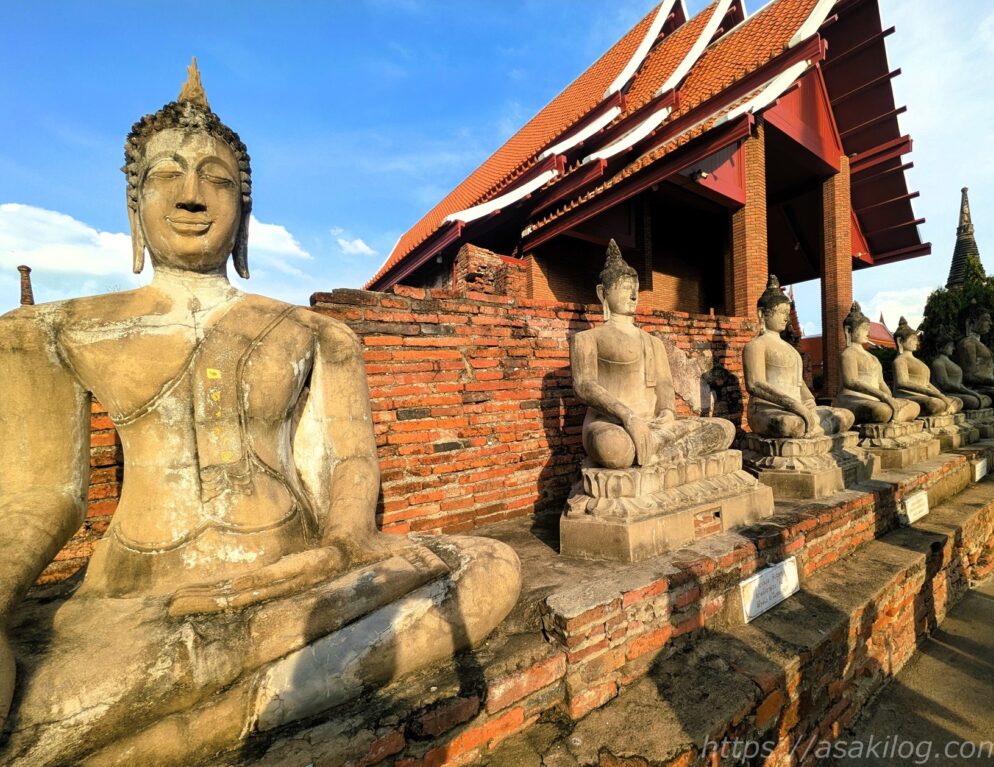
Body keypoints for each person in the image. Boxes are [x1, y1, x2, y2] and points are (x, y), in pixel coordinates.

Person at [0, 61, 519, 766]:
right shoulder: (52, 332)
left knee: (489, 565)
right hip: (139, 603)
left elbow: (347, 463)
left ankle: (209, 717)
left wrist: (340, 544)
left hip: (298, 577)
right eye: (166, 175)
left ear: (244, 211)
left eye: (216, 179)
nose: (191, 195)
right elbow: (37, 497)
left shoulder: (316, 333)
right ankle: (232, 698)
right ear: (133, 203)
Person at [570, 240, 733, 470]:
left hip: (657, 426)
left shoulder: (653, 342)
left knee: (724, 429)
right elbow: (584, 386)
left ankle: (653, 450)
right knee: (613, 448)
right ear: (602, 292)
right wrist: (628, 417)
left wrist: (667, 413)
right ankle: (664, 451)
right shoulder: (587, 338)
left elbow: (665, 386)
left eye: (635, 289)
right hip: (612, 424)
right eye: (625, 287)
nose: (633, 295)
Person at [743, 275, 853, 438]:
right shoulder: (756, 345)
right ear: (762, 314)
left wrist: (809, 401)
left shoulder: (791, 349)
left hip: (798, 408)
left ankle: (813, 427)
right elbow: (755, 384)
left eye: (787, 313)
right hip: (768, 409)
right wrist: (793, 405)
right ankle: (814, 428)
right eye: (781, 312)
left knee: (845, 416)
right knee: (792, 425)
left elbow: (799, 383)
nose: (786, 318)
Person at [834, 302, 919, 423]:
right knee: (882, 411)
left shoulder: (873, 358)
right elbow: (851, 382)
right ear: (848, 331)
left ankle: (894, 417)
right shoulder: (848, 354)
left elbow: (880, 382)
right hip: (853, 398)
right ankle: (893, 416)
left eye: (868, 329)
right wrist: (882, 396)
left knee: (914, 406)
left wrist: (889, 397)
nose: (868, 333)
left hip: (875, 399)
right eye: (864, 329)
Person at [892, 317, 961, 416]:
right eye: (913, 339)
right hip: (909, 395)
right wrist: (931, 393)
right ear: (900, 341)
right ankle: (943, 410)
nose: (917, 342)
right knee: (935, 404)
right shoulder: (900, 360)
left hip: (926, 395)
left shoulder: (917, 361)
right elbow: (902, 383)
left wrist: (940, 394)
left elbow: (926, 383)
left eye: (917, 340)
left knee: (958, 401)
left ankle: (944, 409)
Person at [930, 336, 992, 410]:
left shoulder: (950, 362)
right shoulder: (938, 363)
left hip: (958, 392)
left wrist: (971, 392)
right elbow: (945, 385)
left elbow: (959, 384)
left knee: (987, 398)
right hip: (946, 394)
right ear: (941, 348)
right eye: (950, 346)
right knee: (973, 401)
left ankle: (979, 401)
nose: (953, 348)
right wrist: (967, 392)